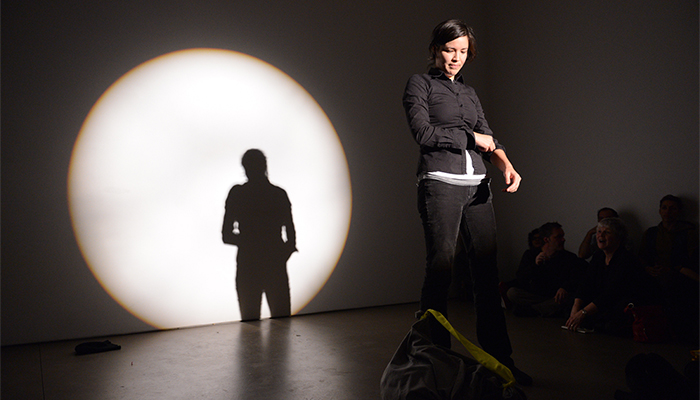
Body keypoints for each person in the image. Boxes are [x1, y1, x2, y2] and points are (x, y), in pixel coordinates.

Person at [402, 19, 530, 386]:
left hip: (478, 188)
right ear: (435, 49)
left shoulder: (470, 93)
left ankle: (500, 363)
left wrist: (507, 165)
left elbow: (489, 137)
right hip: (439, 183)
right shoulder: (419, 84)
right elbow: (424, 133)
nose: (455, 58)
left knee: (488, 277)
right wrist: (472, 138)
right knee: (440, 272)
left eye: (461, 52)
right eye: (448, 50)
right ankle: (433, 366)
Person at [222, 149, 297, 321]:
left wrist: (250, 242)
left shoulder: (238, 194)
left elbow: (226, 235)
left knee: (250, 327)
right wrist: (281, 251)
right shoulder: (278, 194)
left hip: (249, 264)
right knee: (282, 328)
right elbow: (291, 235)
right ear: (264, 166)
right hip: (274, 263)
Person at [565, 217, 649, 335]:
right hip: (603, 300)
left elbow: (612, 293)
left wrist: (583, 313)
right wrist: (575, 308)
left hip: (621, 302)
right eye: (599, 232)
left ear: (618, 238)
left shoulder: (626, 259)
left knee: (613, 316)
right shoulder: (598, 256)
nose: (601, 236)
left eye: (607, 232)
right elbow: (586, 283)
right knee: (572, 299)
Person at [639, 195, 699, 343]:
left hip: (679, 273)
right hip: (655, 272)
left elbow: (692, 258)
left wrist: (670, 268)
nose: (668, 211)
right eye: (664, 208)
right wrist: (647, 268)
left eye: (672, 208)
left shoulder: (688, 232)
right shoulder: (651, 233)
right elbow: (642, 256)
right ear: (659, 210)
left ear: (678, 211)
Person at [507, 222, 586, 317]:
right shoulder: (530, 254)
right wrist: (535, 265)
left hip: (556, 297)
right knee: (512, 293)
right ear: (546, 239)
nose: (563, 240)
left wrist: (565, 287)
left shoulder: (569, 257)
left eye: (563, 236)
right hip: (537, 295)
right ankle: (544, 309)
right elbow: (520, 278)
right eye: (558, 237)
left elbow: (576, 279)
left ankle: (533, 310)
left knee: (570, 299)